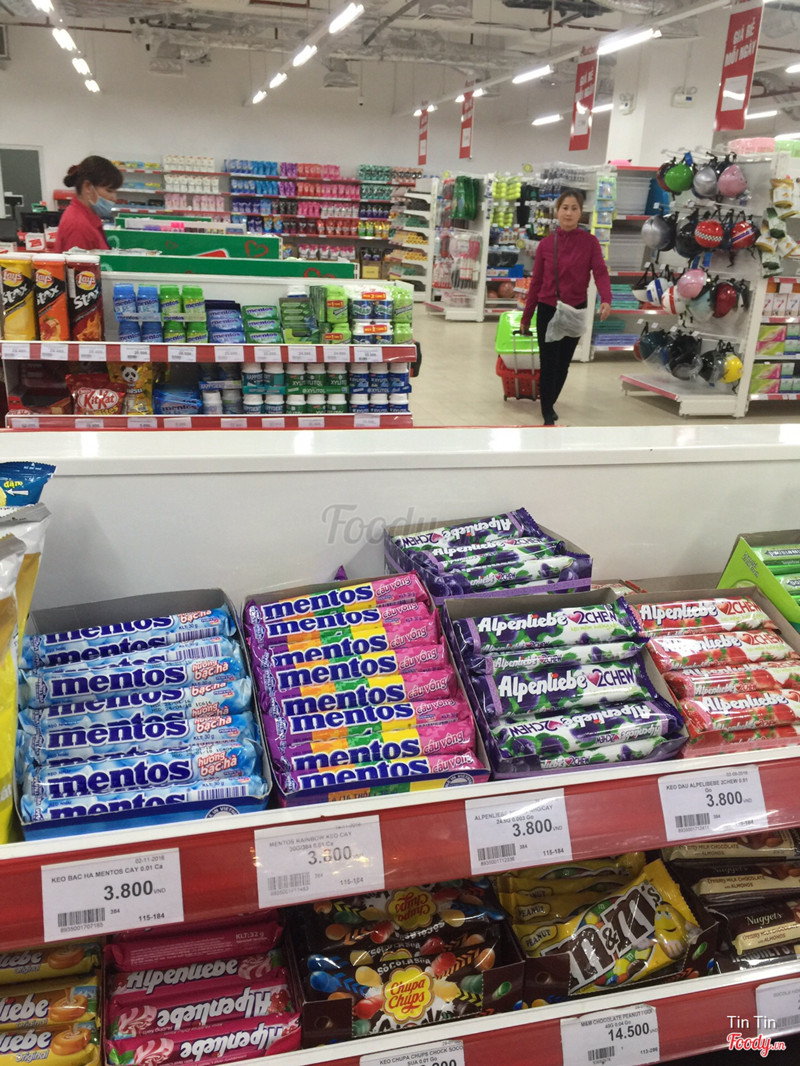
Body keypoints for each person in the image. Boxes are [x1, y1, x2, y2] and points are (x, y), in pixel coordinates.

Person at [520, 189, 612, 426]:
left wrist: (606, 298)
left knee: (563, 364)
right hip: (548, 309)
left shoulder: (590, 243)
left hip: (575, 310)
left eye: (574, 208)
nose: (569, 213)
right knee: (549, 363)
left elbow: (600, 272)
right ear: (557, 211)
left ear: (581, 213)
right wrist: (526, 317)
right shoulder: (546, 245)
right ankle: (547, 411)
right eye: (564, 208)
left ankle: (550, 401)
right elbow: (536, 283)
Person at [54, 155, 123, 253]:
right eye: (109, 191)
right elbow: (78, 263)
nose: (114, 198)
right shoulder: (78, 227)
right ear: (88, 187)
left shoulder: (88, 218)